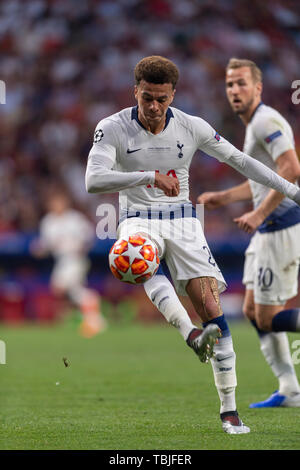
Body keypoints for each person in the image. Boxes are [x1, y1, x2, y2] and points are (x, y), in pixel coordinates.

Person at [85, 56, 300, 434]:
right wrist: (149, 176)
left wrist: (291, 191)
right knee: (133, 256)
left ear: (173, 95)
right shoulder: (112, 127)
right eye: (147, 97)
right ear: (135, 90)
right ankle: (190, 334)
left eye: (161, 99)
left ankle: (229, 410)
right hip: (138, 218)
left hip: (184, 220)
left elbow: (242, 162)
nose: (153, 107)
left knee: (211, 306)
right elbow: (94, 180)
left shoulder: (191, 126)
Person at [198, 58, 300, 408]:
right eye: (230, 84)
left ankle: (291, 389)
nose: (235, 90)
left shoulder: (266, 120)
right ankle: (290, 389)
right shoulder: (253, 123)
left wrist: (258, 213)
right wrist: (224, 197)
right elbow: (264, 178)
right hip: (268, 232)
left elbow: (290, 168)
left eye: (242, 83)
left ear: (258, 88)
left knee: (270, 316)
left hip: (280, 228)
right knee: (253, 311)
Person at [31, 190, 107, 338]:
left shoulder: (75, 219)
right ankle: (94, 318)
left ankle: (91, 315)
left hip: (75, 258)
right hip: (61, 261)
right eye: (54, 203)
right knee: (64, 290)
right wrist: (39, 249)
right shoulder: (48, 221)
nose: (57, 205)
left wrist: (83, 248)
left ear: (65, 203)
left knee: (64, 288)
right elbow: (46, 245)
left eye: (59, 202)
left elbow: (89, 237)